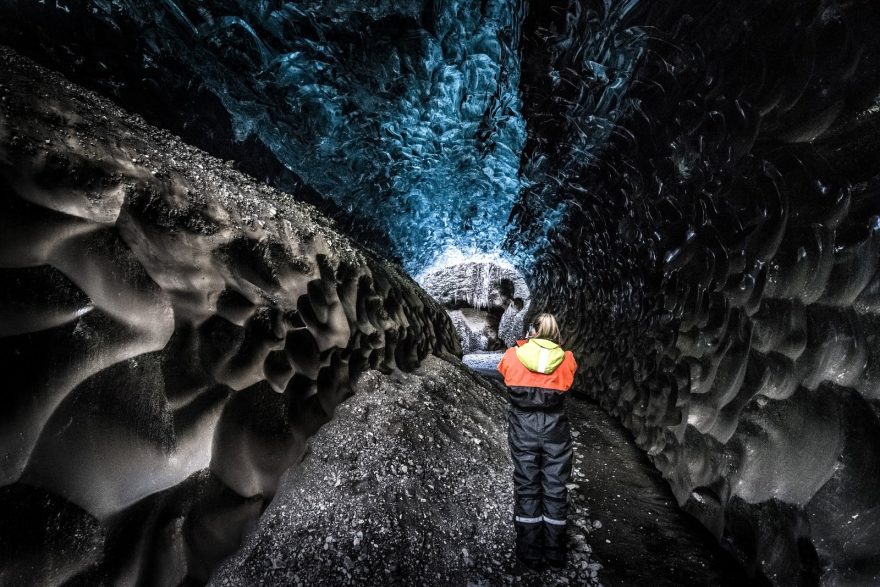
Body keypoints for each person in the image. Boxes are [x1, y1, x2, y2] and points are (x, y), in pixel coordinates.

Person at [497, 312, 577, 571]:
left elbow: (504, 372)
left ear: (532, 330)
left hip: (523, 429)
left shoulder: (512, 355)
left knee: (527, 486)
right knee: (555, 488)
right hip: (556, 430)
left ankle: (530, 554)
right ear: (556, 332)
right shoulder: (567, 360)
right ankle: (555, 555)